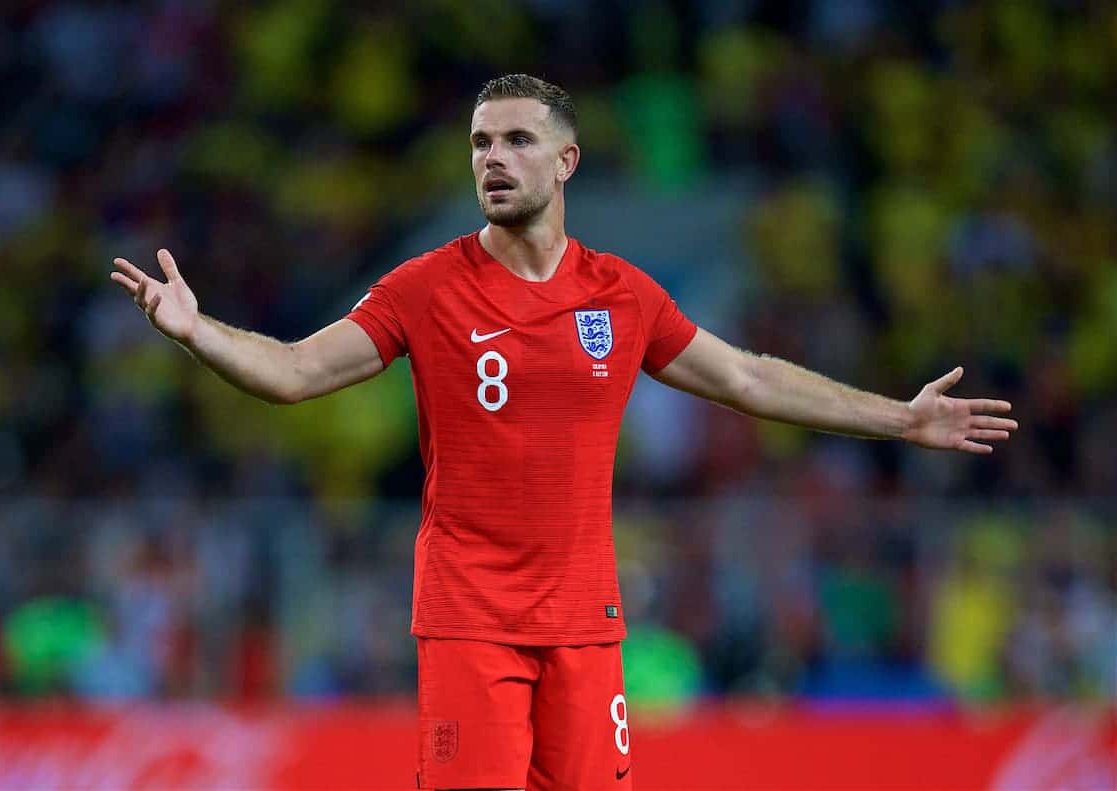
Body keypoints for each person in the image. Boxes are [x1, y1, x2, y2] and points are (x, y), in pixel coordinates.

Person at [110, 74, 1018, 791]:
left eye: (516, 139)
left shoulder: (621, 294)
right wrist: (199, 330)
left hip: (586, 625)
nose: (492, 158)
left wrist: (899, 417)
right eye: (479, 142)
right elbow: (297, 373)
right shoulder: (426, 288)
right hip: (470, 622)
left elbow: (746, 377)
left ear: (567, 162)